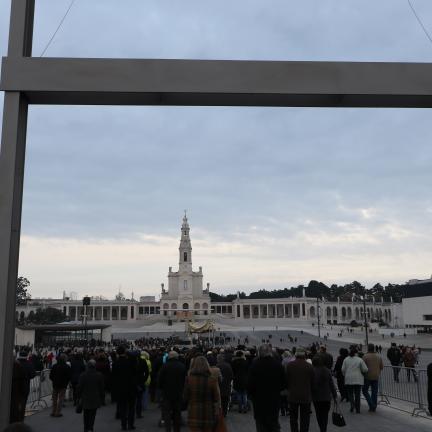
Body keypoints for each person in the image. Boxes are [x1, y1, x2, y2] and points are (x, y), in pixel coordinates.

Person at [247, 344, 286, 432]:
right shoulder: (277, 365)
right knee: (274, 422)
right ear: (270, 352)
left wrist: (252, 395)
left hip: (259, 400)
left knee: (261, 423)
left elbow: (250, 385)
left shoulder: (255, 365)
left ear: (259, 353)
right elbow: (284, 383)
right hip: (274, 399)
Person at [183, 356, 221, 432]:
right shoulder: (212, 380)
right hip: (208, 414)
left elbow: (185, 397)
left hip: (194, 413)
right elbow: (216, 398)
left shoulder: (189, 380)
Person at [285, 348, 314, 432]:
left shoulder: (290, 365)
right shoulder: (309, 366)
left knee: (293, 417)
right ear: (304, 355)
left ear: (296, 354)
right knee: (305, 418)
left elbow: (286, 380)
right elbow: (313, 381)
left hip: (293, 395)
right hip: (306, 395)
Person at [157, 351, 186, 432]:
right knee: (177, 413)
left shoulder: (164, 366)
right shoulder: (182, 366)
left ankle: (168, 429)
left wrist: (161, 388)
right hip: (178, 393)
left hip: (166, 394)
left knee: (167, 413)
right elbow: (184, 380)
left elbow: (159, 380)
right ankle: (177, 429)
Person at [112, 346, 138, 430]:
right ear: (125, 352)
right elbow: (135, 371)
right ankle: (131, 424)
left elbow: (114, 377)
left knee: (122, 407)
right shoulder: (130, 362)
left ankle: (123, 425)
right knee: (131, 407)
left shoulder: (115, 363)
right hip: (131, 387)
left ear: (117, 353)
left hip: (120, 388)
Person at [77, 359, 105, 432]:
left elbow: (79, 387)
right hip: (95, 397)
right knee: (93, 415)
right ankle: (90, 428)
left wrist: (78, 397)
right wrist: (102, 398)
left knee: (86, 414)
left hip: (85, 397)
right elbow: (102, 388)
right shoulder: (99, 375)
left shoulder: (83, 375)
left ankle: (86, 428)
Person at [312, 355, 337, 432]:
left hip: (316, 397)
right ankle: (324, 429)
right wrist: (334, 394)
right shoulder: (327, 370)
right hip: (326, 397)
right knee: (325, 415)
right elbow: (331, 384)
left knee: (318, 414)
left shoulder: (312, 371)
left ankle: (321, 428)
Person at [341, 347, 368, 414]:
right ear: (356, 353)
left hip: (349, 379)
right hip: (358, 379)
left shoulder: (346, 359)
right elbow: (365, 369)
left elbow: (343, 369)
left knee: (350, 394)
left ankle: (352, 405)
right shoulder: (359, 360)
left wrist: (345, 375)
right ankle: (358, 409)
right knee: (357, 394)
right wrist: (362, 372)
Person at [362, 344, 383, 412]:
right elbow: (382, 367)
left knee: (365, 390)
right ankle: (374, 406)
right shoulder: (378, 356)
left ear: (368, 348)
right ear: (374, 348)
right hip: (376, 376)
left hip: (367, 376)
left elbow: (363, 367)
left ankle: (371, 404)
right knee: (374, 392)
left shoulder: (365, 356)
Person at [49, 353, 72, 417]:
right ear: (65, 359)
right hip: (63, 385)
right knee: (61, 399)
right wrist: (67, 382)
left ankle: (53, 411)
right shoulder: (67, 367)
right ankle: (58, 412)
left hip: (55, 384)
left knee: (54, 399)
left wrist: (54, 380)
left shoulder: (54, 366)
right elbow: (69, 376)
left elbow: (51, 376)